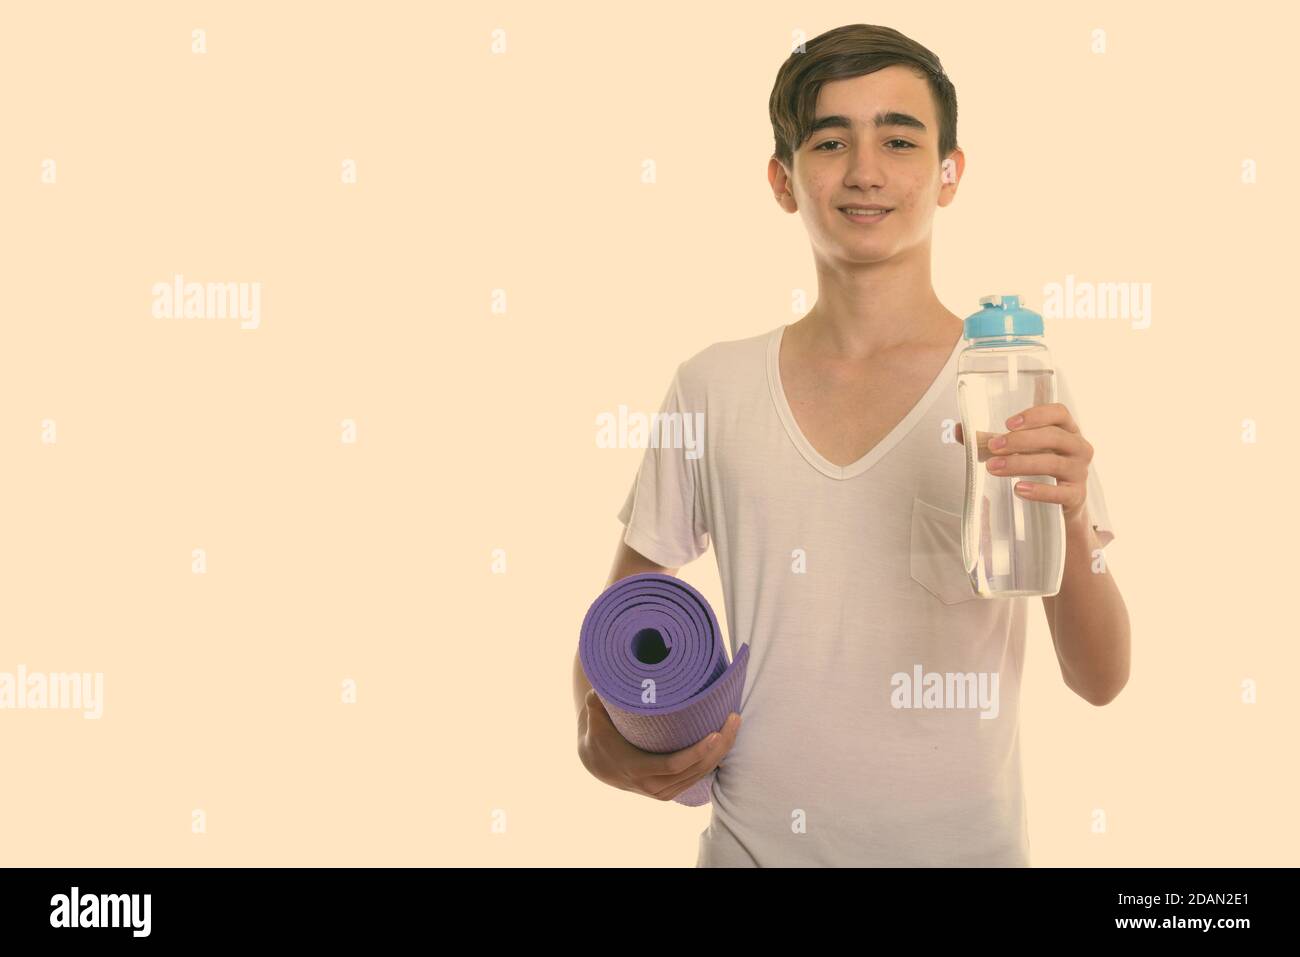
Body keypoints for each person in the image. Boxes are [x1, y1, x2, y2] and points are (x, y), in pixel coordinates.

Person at [574, 22, 1130, 867]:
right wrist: (595, 741)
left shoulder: (1012, 384)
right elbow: (614, 635)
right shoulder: (712, 387)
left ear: (949, 174)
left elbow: (1100, 679)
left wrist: (1076, 513)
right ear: (782, 178)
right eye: (830, 140)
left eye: (900, 139)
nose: (866, 170)